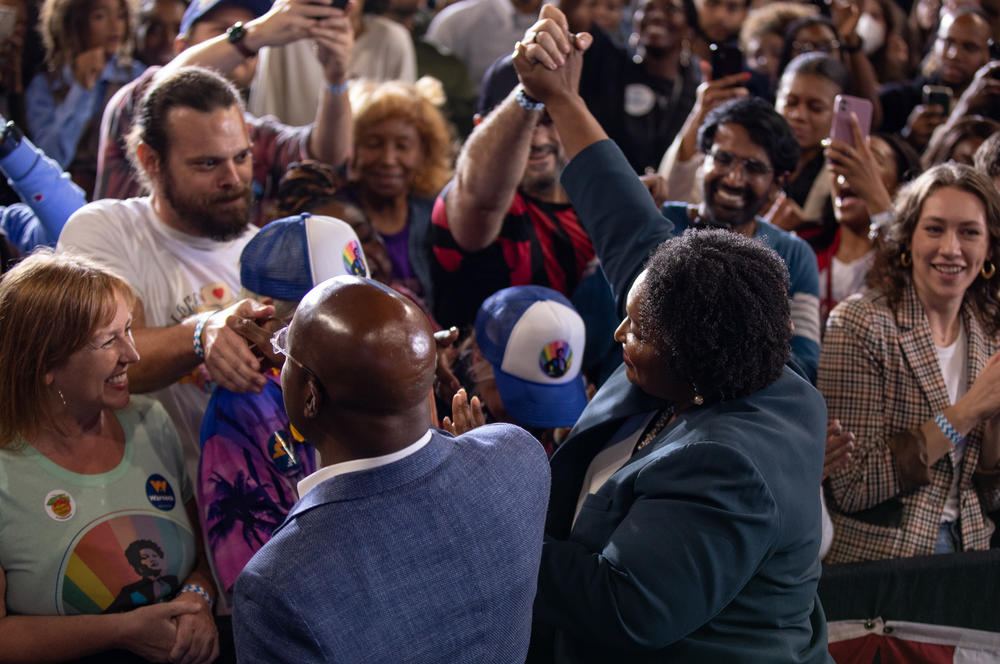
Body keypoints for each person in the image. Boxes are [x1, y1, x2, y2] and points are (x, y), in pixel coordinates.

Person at [509, 9, 830, 660]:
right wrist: (560, 97)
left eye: (640, 328)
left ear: (692, 356)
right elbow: (626, 218)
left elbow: (623, 605)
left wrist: (491, 516)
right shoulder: (722, 344)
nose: (621, 331)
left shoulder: (730, 464)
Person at [232, 276, 551, 662]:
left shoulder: (278, 584)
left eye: (286, 357)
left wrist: (314, 369)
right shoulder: (519, 458)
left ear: (311, 395)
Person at [0, 252, 218, 663]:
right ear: (44, 363)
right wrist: (121, 632)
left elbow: (201, 557)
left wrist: (197, 600)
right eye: (108, 341)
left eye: (129, 330)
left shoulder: (150, 420)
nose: (133, 355)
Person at [59, 66, 277, 478]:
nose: (233, 178)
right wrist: (202, 332)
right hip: (146, 497)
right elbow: (105, 359)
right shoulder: (106, 229)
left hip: (253, 499)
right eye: (208, 163)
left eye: (242, 157)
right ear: (151, 160)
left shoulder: (267, 251)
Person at [819, 162, 1000, 564]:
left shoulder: (991, 332)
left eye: (969, 232)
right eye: (934, 229)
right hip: (881, 564)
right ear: (907, 239)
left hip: (971, 554)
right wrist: (966, 413)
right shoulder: (860, 323)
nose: (950, 248)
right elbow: (853, 485)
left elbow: (990, 495)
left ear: (989, 247)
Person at [198, 213, 369, 602]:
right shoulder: (239, 412)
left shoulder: (367, 375)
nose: (355, 330)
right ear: (268, 314)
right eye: (334, 316)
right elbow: (256, 587)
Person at [94, 0, 354, 222]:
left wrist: (336, 76)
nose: (251, 44)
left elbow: (324, 157)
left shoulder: (252, 134)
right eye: (226, 30)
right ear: (182, 47)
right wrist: (254, 34)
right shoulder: (134, 103)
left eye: (240, 158)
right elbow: (160, 91)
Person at [658, 94, 822, 381]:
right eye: (723, 159)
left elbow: (804, 366)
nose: (734, 178)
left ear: (777, 183)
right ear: (702, 159)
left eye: (754, 168)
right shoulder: (659, 221)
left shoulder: (793, 255)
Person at [340, 77, 452, 307]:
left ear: (424, 152)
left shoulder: (436, 215)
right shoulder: (338, 216)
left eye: (402, 146)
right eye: (373, 144)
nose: (388, 159)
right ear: (352, 147)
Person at [448, 284, 589, 454]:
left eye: (554, 404)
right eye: (524, 401)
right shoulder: (439, 411)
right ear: (478, 359)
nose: (537, 425)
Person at [26, 0, 145, 196]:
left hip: (120, 195)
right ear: (74, 23)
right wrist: (81, 89)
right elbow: (50, 157)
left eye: (121, 16)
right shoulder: (46, 84)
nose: (114, 26)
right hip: (61, 193)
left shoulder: (134, 77)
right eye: (100, 16)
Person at [767, 52, 847, 249]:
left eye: (815, 108)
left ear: (837, 114)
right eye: (790, 102)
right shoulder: (751, 156)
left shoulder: (844, 176)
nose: (799, 115)